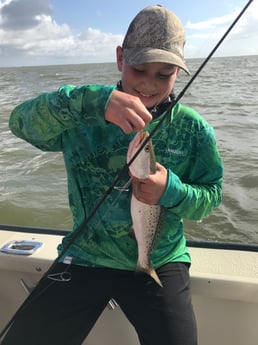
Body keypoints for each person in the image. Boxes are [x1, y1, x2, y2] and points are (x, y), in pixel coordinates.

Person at [2, 5, 223, 345]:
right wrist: (89, 102)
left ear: (179, 72)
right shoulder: (81, 115)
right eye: (139, 69)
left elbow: (211, 197)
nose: (149, 84)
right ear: (120, 59)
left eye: (164, 74)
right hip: (85, 255)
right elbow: (19, 123)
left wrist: (171, 191)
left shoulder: (192, 129)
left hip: (160, 259)